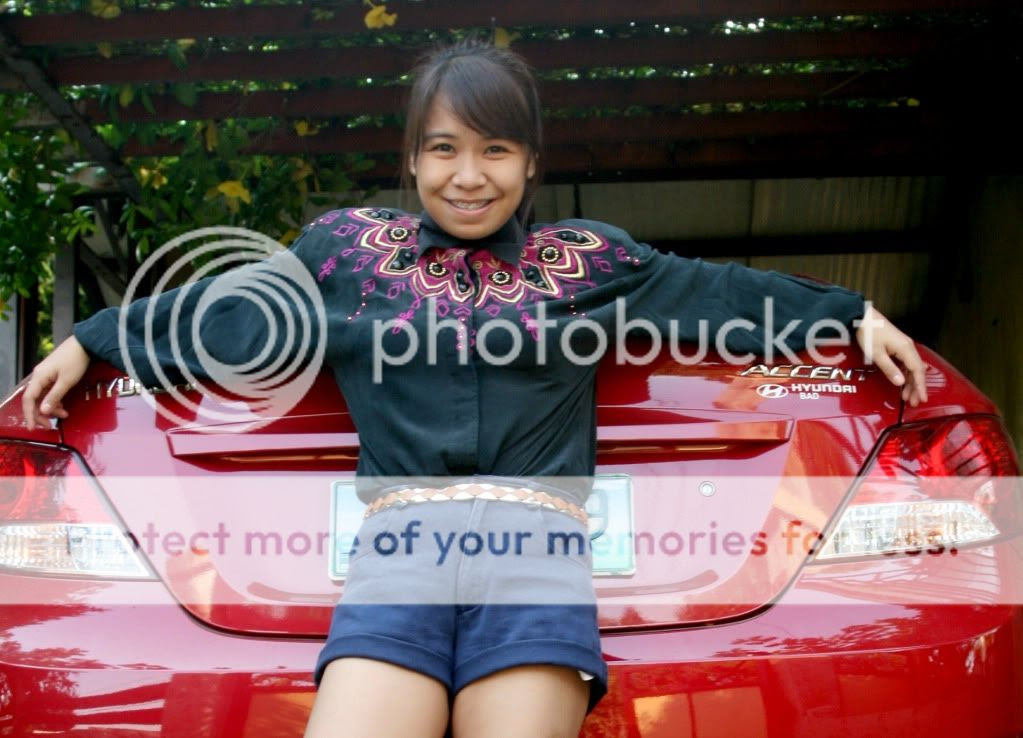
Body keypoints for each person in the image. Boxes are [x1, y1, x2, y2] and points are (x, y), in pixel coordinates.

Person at [22, 40, 927, 738]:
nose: (467, 176)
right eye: (444, 149)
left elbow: (713, 292)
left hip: (536, 560)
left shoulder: (587, 261)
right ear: (414, 159)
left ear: (529, 163)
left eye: (495, 149)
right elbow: (232, 314)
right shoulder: (344, 256)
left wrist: (849, 312)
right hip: (397, 558)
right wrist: (95, 339)